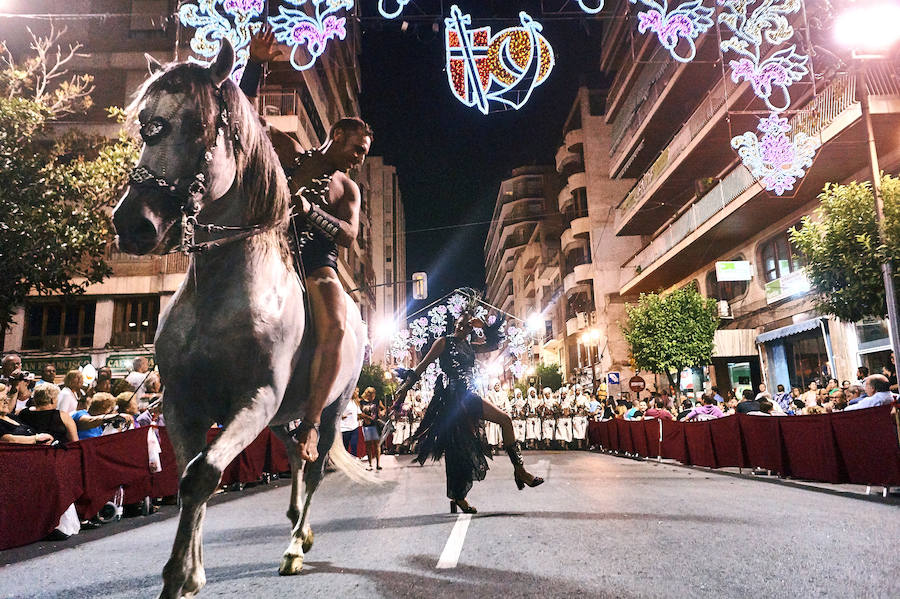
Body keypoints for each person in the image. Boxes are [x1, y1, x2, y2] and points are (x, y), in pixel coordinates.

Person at [238, 27, 372, 464]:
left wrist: (311, 211)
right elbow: (248, 119)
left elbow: (349, 235)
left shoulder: (347, 188)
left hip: (317, 262)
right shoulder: (290, 152)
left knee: (336, 326)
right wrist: (255, 65)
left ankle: (312, 423)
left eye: (364, 152)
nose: (359, 157)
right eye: (357, 148)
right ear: (336, 135)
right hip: (272, 251)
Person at [392, 296, 543, 514]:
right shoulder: (443, 342)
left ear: (471, 328)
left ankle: (520, 471)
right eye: (460, 324)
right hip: (453, 399)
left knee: (505, 420)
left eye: (467, 325)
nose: (462, 328)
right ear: (455, 323)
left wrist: (485, 326)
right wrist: (404, 390)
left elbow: (495, 343)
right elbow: (422, 366)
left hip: (469, 396)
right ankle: (458, 496)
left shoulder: (470, 346)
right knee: (458, 448)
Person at [358, 387, 382, 470]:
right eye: (370, 394)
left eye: (373, 394)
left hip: (375, 424)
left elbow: (383, 408)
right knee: (368, 444)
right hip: (366, 425)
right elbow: (359, 413)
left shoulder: (377, 401)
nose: (372, 396)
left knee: (377, 444)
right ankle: (370, 464)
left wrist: (382, 412)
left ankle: (378, 464)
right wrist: (366, 417)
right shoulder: (362, 402)